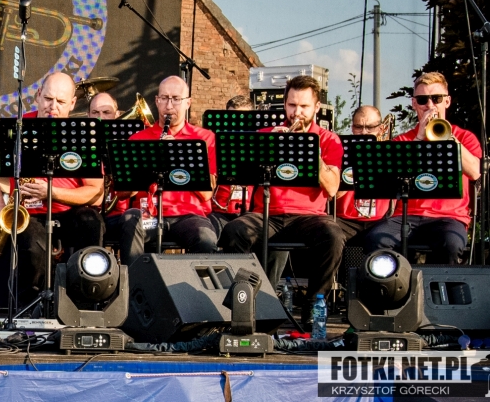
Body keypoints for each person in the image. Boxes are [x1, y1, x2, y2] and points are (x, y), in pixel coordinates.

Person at [218, 75, 345, 305]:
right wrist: (269, 149)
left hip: (308, 218)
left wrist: (310, 151)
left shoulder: (328, 139)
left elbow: (333, 187)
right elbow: (241, 177)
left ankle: (314, 305)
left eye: (304, 106)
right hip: (267, 215)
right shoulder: (266, 135)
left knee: (334, 236)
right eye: (292, 105)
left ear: (317, 107)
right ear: (285, 105)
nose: (297, 112)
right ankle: (242, 301)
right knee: (233, 231)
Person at [0, 72, 104, 301]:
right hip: (29, 212)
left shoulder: (83, 134)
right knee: (32, 248)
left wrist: (52, 193)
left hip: (70, 210)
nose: (53, 107)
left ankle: (84, 299)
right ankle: (30, 307)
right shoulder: (17, 127)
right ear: (37, 95)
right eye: (48, 98)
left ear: (72, 103)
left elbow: (95, 190)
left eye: (61, 101)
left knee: (91, 223)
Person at [362, 72, 482, 264]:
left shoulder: (464, 138)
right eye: (423, 100)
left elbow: (475, 171)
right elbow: (388, 178)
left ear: (447, 101)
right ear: (414, 104)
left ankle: (440, 284)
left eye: (436, 99)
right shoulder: (403, 140)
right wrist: (419, 137)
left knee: (450, 244)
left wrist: (448, 138)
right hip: (406, 216)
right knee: (375, 240)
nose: (430, 105)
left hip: (448, 218)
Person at [128, 76, 218, 253]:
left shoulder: (205, 138)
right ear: (157, 101)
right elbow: (124, 193)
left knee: (205, 238)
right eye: (164, 98)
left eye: (176, 99)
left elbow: (206, 194)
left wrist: (180, 156)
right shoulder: (137, 139)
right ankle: (135, 272)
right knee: (128, 222)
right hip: (149, 214)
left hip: (188, 215)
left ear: (188, 103)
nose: (169, 106)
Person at [88, 92, 148, 265]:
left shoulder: (129, 144)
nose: (100, 118)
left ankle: (133, 276)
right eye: (95, 113)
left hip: (117, 215)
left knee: (132, 220)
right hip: (88, 213)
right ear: (88, 115)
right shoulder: (81, 144)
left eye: (106, 112)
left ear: (117, 115)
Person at [335, 105, 391, 245]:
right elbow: (332, 196)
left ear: (381, 129)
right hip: (344, 220)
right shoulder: (340, 152)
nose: (364, 132)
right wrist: (348, 174)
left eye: (370, 127)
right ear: (352, 128)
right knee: (330, 237)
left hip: (379, 221)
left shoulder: (389, 154)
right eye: (358, 127)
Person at [210, 95, 253, 238]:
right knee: (209, 232)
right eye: (233, 118)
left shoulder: (258, 148)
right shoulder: (215, 147)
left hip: (252, 212)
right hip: (220, 211)